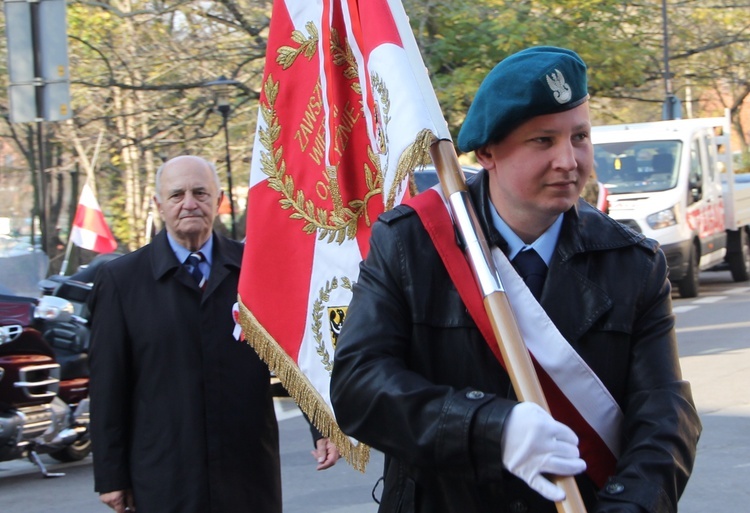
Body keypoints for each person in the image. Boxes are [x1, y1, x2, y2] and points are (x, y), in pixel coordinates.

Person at [330, 47, 701, 513]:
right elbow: (359, 386)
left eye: (580, 137)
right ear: (487, 152)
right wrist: (491, 427)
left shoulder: (632, 262)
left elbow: (663, 413)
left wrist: (631, 507)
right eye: (543, 141)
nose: (569, 160)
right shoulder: (412, 244)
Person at [88, 155, 335, 513]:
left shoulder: (256, 268)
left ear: (219, 201)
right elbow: (108, 385)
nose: (190, 203)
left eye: (201, 193)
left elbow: (297, 351)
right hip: (164, 473)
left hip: (246, 468)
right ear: (159, 205)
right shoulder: (121, 281)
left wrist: (321, 424)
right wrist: (111, 476)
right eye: (177, 195)